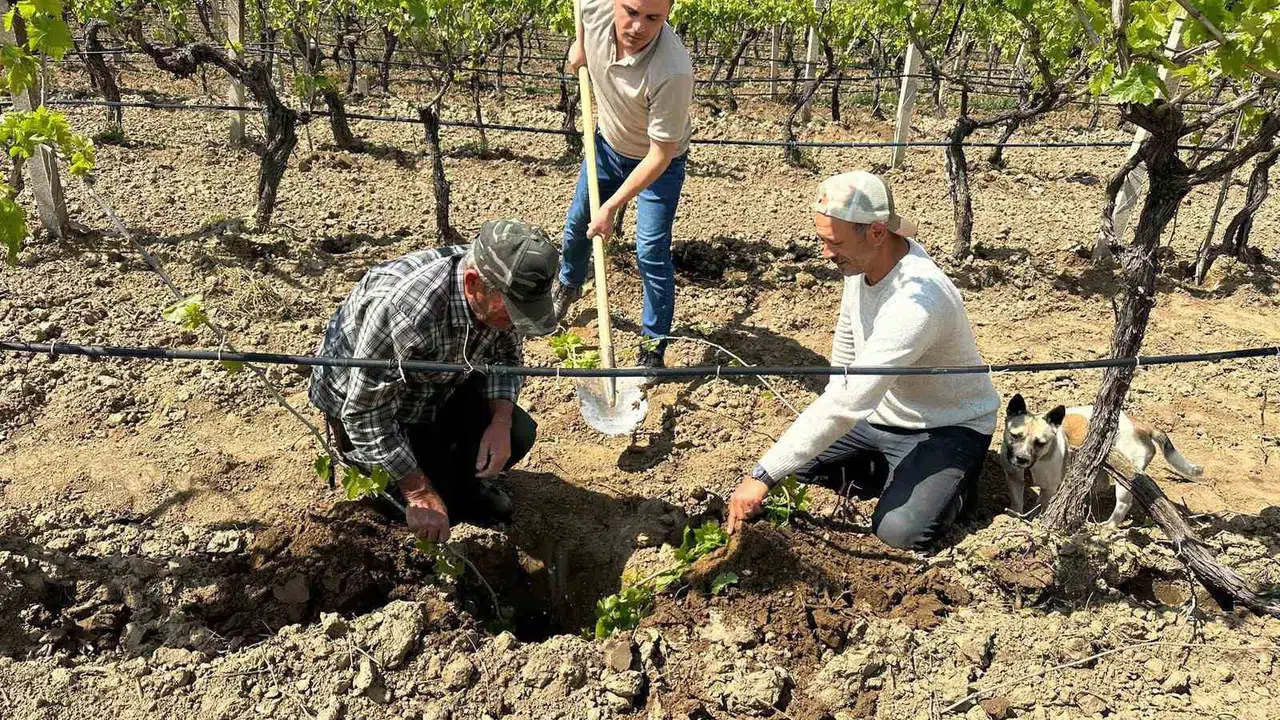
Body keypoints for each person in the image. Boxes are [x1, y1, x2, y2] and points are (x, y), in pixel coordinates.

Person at [725, 172, 1000, 550]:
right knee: (797, 469)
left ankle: (953, 489)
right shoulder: (861, 264)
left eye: (834, 242)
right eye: (823, 240)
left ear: (876, 232)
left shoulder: (917, 302)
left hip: (945, 426)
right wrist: (783, 464)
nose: (826, 253)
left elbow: (849, 400)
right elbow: (846, 355)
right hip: (879, 415)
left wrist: (762, 475)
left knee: (899, 533)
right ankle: (898, 476)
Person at [309, 220, 559, 543]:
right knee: (432, 512)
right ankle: (420, 491)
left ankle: (463, 488)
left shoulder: (500, 288)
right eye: (512, 311)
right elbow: (364, 415)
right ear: (472, 283)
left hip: (436, 388)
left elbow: (506, 358)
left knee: (517, 433)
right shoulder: (407, 310)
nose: (516, 322)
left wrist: (500, 421)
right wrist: (418, 491)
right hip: (368, 410)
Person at [553, 0, 694, 369]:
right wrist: (580, 43)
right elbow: (581, 6)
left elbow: (660, 155)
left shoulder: (673, 71)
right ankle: (569, 284)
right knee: (577, 226)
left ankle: (653, 345)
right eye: (630, 12)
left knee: (650, 251)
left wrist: (611, 207)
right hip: (607, 147)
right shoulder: (596, 9)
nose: (638, 27)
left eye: (653, 18)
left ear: (668, 14)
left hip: (658, 165)